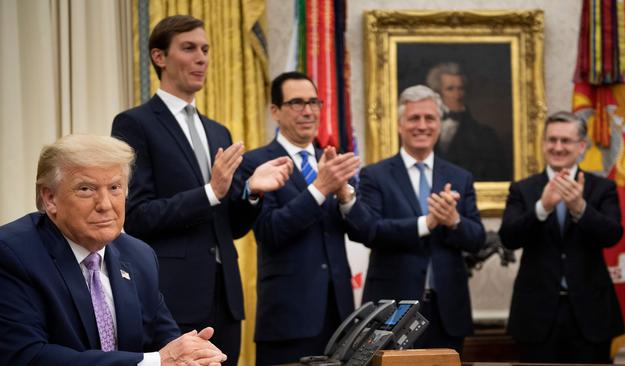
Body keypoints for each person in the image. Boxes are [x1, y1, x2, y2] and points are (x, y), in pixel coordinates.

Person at [111, 15, 292, 365]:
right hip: (172, 297)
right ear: (159, 57)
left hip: (225, 299)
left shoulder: (218, 132)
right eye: (189, 48)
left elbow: (232, 226)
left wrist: (251, 192)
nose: (202, 58)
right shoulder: (135, 123)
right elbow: (136, 216)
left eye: (206, 49)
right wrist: (210, 192)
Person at [0, 134, 227, 366]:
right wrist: (156, 362)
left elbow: (164, 339)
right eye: (86, 189)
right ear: (50, 198)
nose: (105, 205)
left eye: (115, 188)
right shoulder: (12, 254)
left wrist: (194, 356)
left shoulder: (139, 256)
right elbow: (27, 356)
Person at [239, 71, 368, 365]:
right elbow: (270, 231)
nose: (308, 111)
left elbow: (363, 230)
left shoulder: (332, 160)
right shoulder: (257, 163)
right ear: (275, 111)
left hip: (341, 316)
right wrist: (320, 188)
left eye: (314, 102)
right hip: (288, 317)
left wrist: (345, 196)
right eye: (297, 103)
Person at [348, 85, 486, 353]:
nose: (422, 126)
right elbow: (371, 231)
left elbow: (477, 239)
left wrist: (454, 220)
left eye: (429, 118)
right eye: (414, 118)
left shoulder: (459, 177)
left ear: (439, 123)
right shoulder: (375, 175)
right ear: (400, 125)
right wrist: (427, 223)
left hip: (446, 313)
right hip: (392, 312)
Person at [499, 111, 625, 363]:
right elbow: (509, 238)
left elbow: (613, 235)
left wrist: (580, 208)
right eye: (551, 140)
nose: (557, 147)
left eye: (565, 141)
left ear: (581, 146)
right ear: (543, 143)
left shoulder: (602, 188)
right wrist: (542, 208)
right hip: (536, 316)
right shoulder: (523, 189)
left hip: (591, 315)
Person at [426, 62, 508, 181]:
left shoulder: (485, 135)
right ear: (438, 93)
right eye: (450, 89)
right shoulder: (422, 128)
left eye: (461, 89)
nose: (457, 95)